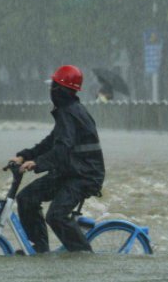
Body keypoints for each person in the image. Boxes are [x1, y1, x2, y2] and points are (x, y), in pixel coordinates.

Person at [8, 65, 105, 253]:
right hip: (69, 171)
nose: (51, 90)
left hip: (84, 175)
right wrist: (24, 155)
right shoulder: (67, 112)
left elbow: (62, 149)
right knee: (27, 198)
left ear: (61, 90)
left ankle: (83, 254)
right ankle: (40, 248)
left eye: (54, 86)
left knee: (56, 216)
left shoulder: (70, 112)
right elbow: (51, 143)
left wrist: (37, 163)